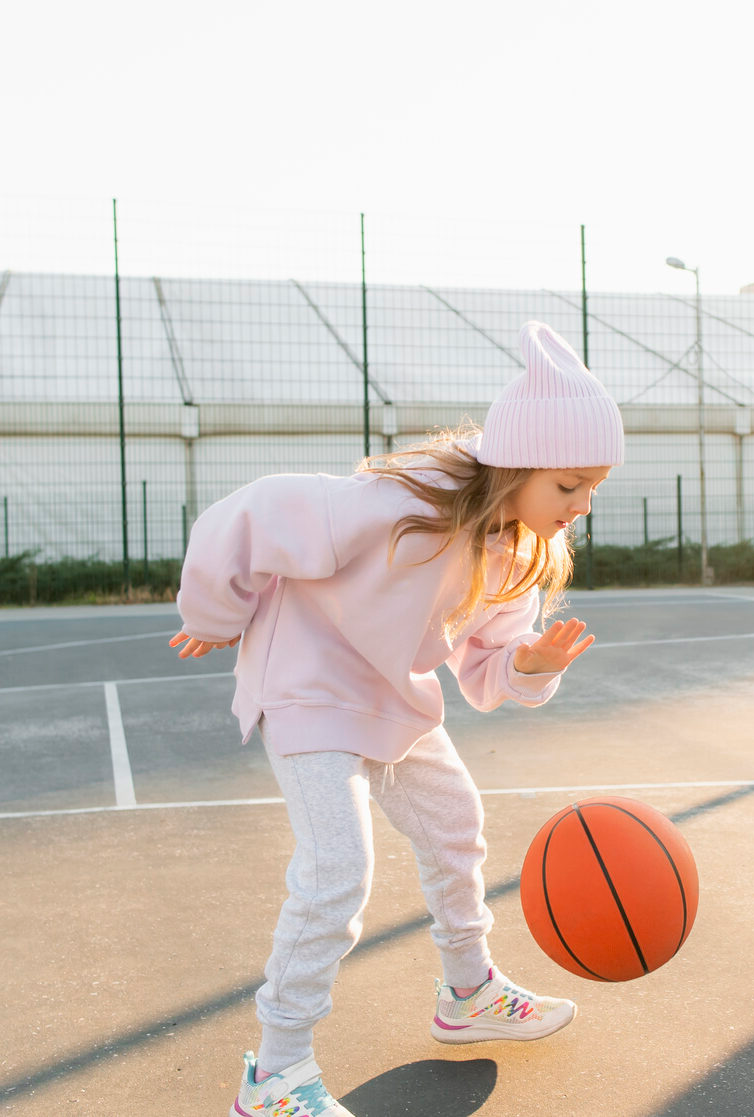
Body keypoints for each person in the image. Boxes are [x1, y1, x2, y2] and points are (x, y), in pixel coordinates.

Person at [169, 321, 624, 1117]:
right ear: (518, 463)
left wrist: (529, 666)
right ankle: (274, 1074)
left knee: (456, 819)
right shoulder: (403, 503)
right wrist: (214, 608)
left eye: (595, 488)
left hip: (388, 690)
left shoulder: (517, 553)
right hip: (308, 677)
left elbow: (487, 669)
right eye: (570, 484)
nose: (583, 505)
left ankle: (468, 990)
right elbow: (257, 511)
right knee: (338, 870)